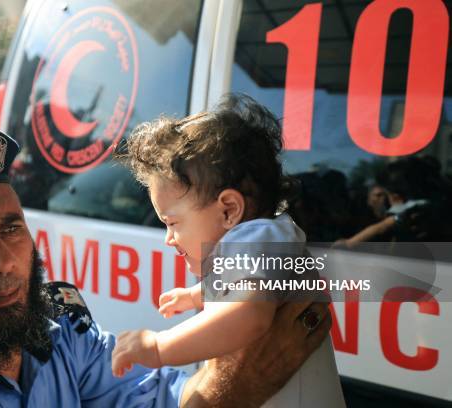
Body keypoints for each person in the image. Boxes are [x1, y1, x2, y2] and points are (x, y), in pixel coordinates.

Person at [0, 129, 332, 407]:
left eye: (11, 228)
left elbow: (159, 401)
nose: (3, 262)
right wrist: (240, 384)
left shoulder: (58, 324)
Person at [111, 94, 345, 407]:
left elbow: (248, 314)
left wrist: (158, 346)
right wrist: (196, 295)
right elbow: (242, 287)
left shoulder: (258, 236)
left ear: (229, 210)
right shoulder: (259, 240)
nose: (168, 238)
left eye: (172, 222)